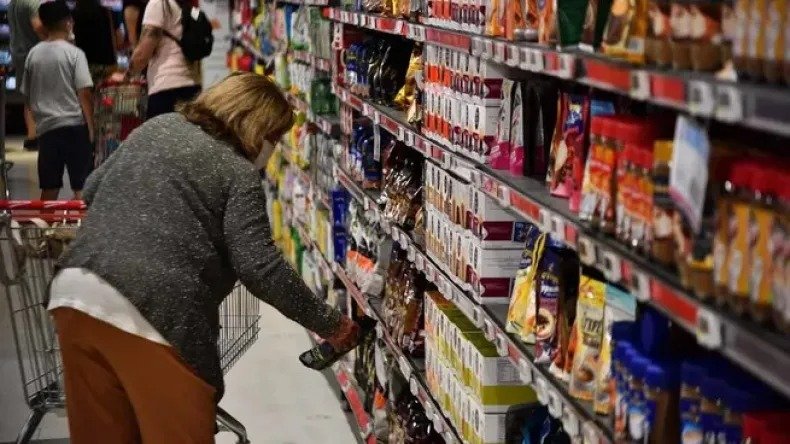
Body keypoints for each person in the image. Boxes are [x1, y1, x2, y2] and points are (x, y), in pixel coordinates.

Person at [47, 72, 360, 442]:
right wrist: (331, 325)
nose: (272, 149)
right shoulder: (236, 172)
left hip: (74, 293)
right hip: (154, 311)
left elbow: (92, 188)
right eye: (274, 138)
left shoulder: (158, 126)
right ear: (255, 126)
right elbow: (260, 267)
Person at [20, 0, 94, 200]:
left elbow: (27, 95)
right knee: (82, 188)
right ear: (68, 22)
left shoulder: (33, 55)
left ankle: (45, 221)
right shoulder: (75, 54)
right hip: (74, 127)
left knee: (49, 188)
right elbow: (84, 93)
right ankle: (81, 221)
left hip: (47, 130)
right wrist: (90, 128)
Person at [128, 0, 200, 119]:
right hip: (193, 88)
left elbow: (142, 55)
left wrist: (127, 76)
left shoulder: (158, 4)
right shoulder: (188, 6)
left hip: (166, 92)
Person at [8, 0, 43, 150]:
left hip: (19, 54)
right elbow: (38, 25)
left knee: (29, 98)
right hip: (35, 53)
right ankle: (38, 136)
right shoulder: (32, 2)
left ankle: (32, 136)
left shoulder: (13, 3)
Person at [73, 0, 124, 83]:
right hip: (108, 68)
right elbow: (119, 39)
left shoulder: (71, 17)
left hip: (82, 68)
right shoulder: (109, 13)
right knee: (107, 90)